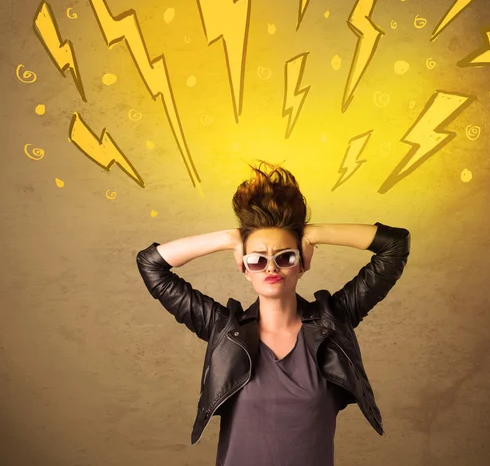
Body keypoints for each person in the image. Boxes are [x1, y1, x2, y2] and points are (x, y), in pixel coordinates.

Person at [136, 160, 411, 466]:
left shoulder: (333, 323)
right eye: (257, 260)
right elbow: (151, 265)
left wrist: (312, 234)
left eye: (286, 257)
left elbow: (395, 246)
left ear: (303, 262)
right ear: (244, 268)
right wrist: (230, 239)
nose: (271, 267)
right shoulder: (223, 329)